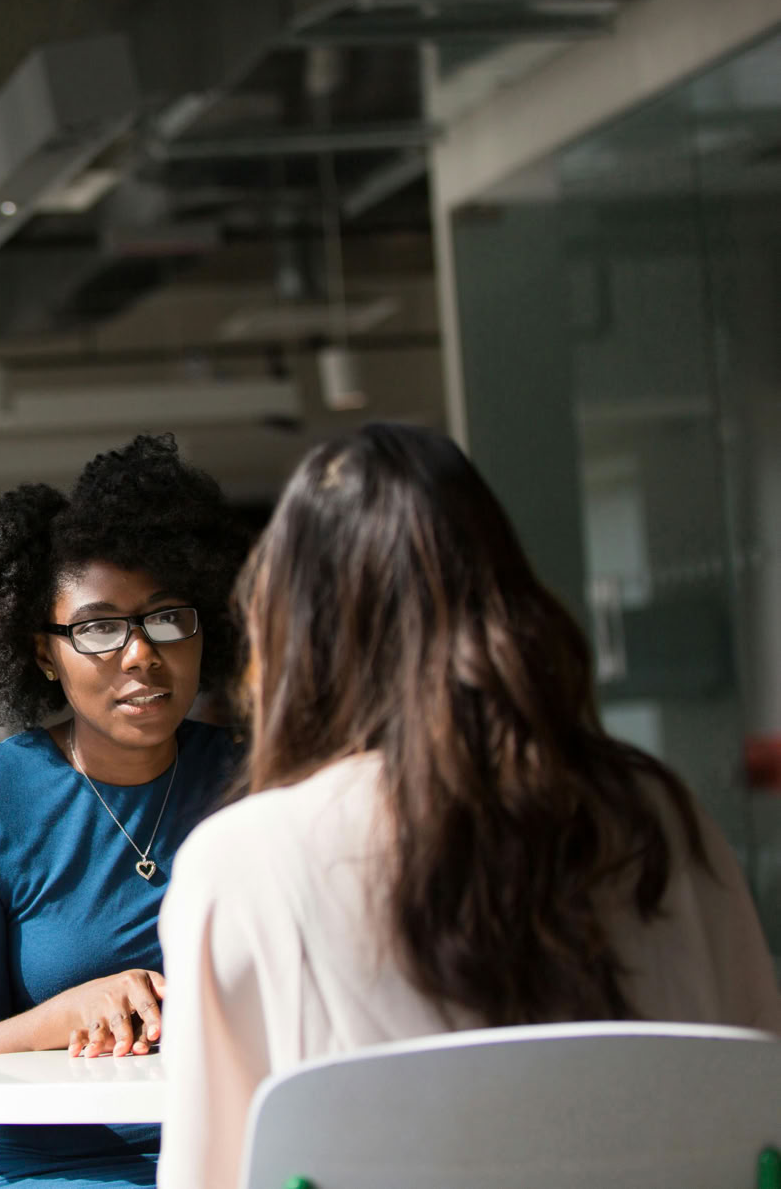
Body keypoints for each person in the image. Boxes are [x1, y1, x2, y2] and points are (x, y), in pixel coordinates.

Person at [155, 424, 781, 1189]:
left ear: (294, 633)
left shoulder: (244, 863)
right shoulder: (659, 816)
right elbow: (761, 1116)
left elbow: (204, 1176)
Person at [0, 434, 252, 1188]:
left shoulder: (254, 777)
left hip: (239, 1154)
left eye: (168, 618)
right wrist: (72, 1012)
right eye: (99, 628)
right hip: (50, 1169)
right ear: (42, 653)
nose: (141, 654)